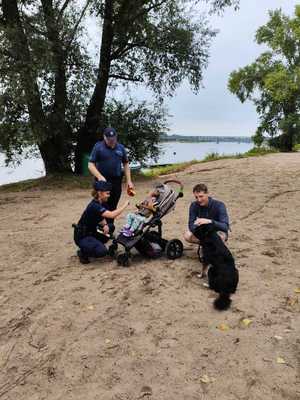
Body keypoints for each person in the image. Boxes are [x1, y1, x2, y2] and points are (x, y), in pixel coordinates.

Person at [74, 181, 129, 264]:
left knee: (110, 227)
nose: (109, 196)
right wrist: (125, 205)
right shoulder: (94, 206)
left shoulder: (100, 203)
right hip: (82, 236)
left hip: (91, 231)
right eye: (107, 193)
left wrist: (105, 225)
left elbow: (100, 216)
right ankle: (83, 252)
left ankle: (94, 243)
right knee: (102, 252)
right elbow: (112, 215)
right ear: (100, 193)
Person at [88, 127, 134, 223]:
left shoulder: (121, 148)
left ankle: (110, 228)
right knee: (101, 206)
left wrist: (129, 181)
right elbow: (90, 164)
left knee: (113, 206)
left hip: (116, 182)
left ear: (116, 137)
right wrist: (100, 177)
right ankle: (97, 227)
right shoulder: (98, 147)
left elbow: (126, 163)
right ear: (104, 137)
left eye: (113, 139)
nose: (112, 141)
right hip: (102, 183)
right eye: (109, 139)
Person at [184, 183, 229, 276]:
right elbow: (191, 224)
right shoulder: (193, 205)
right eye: (196, 197)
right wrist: (198, 231)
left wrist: (209, 221)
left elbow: (225, 226)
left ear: (207, 193)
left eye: (201, 196)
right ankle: (206, 247)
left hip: (217, 232)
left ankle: (213, 252)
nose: (198, 200)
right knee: (187, 235)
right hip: (203, 232)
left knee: (219, 237)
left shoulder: (219, 205)